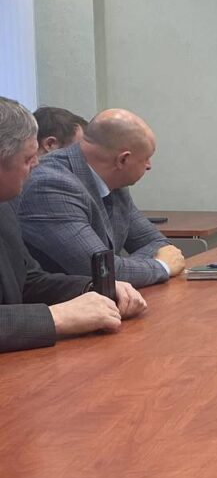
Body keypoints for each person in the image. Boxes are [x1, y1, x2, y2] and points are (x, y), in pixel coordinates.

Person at [0, 97, 146, 353]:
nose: (37, 164)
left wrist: (94, 289)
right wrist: (56, 317)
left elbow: (28, 281)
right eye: (28, 158)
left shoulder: (5, 205)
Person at [17, 109, 186, 288]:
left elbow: (158, 244)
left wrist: (124, 267)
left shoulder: (115, 181)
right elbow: (103, 273)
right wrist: (161, 266)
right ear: (123, 160)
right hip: (58, 302)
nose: (149, 166)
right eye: (146, 158)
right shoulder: (50, 184)